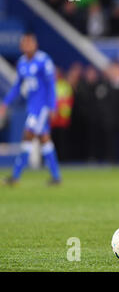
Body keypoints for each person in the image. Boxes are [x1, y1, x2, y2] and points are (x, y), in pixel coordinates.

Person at [0, 33, 61, 186]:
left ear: (35, 44)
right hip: (32, 106)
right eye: (25, 43)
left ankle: (15, 176)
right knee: (44, 140)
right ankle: (56, 176)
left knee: (27, 136)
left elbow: (50, 85)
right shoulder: (21, 63)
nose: (27, 46)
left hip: (41, 108)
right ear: (21, 46)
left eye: (30, 43)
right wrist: (5, 102)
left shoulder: (44, 60)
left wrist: (52, 106)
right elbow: (17, 86)